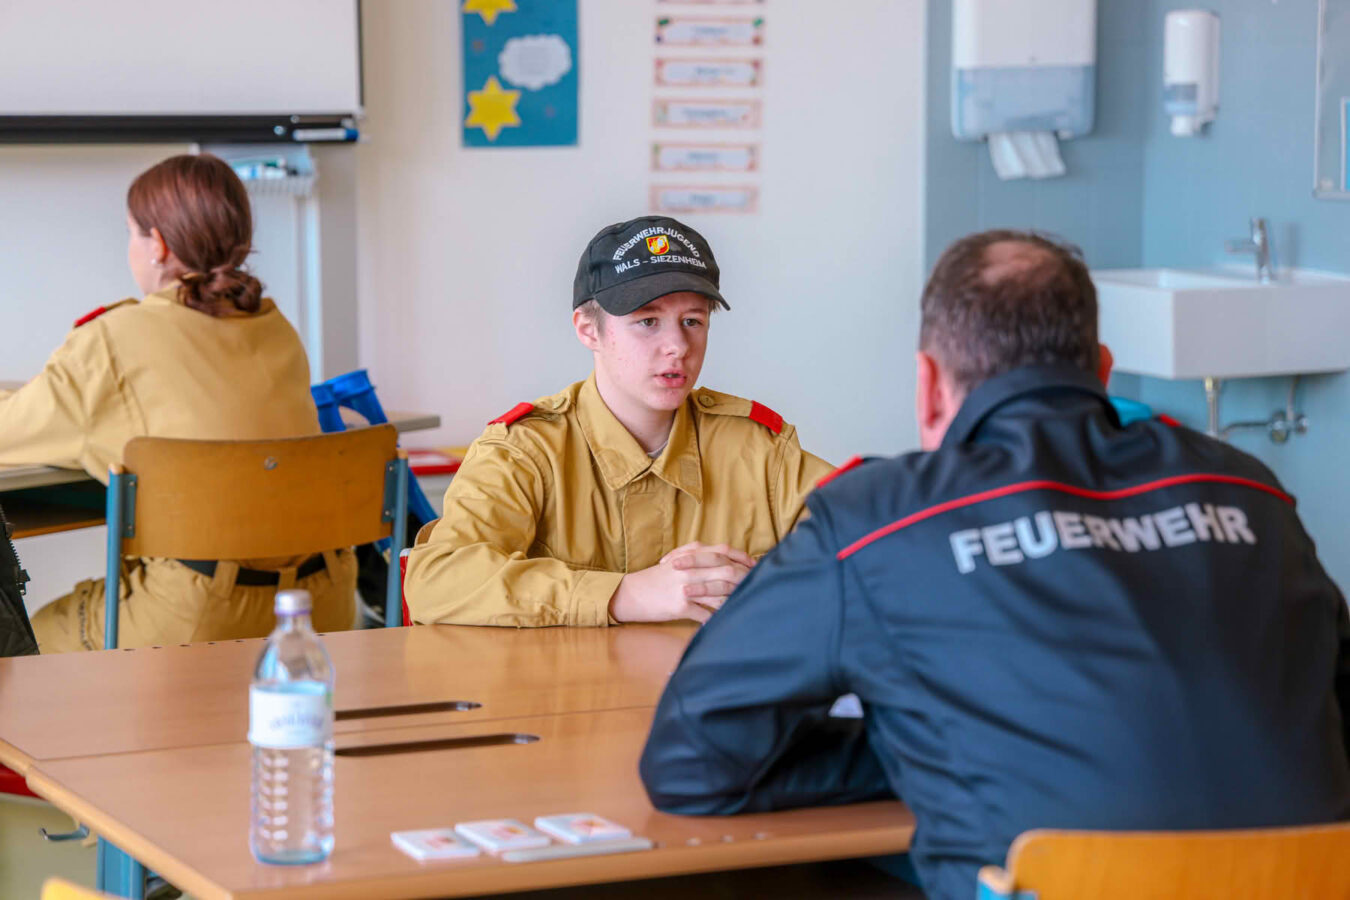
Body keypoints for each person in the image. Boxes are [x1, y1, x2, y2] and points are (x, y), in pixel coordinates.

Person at [639, 230, 1350, 900]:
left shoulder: (877, 519)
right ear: (1101, 371)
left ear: (928, 386)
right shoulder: (1249, 488)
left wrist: (925, 742)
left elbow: (690, 764)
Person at [0, 154, 357, 652]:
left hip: (197, 618)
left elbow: (10, 431)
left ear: (159, 245)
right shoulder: (279, 332)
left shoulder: (114, 341)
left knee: (23, 639)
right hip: (321, 607)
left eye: (131, 233)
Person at [405, 216, 831, 627]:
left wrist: (766, 583)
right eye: (647, 321)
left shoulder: (757, 447)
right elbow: (436, 582)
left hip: (718, 693)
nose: (677, 346)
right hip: (569, 698)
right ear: (589, 330)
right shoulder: (526, 451)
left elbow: (870, 546)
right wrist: (625, 595)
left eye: (692, 321)